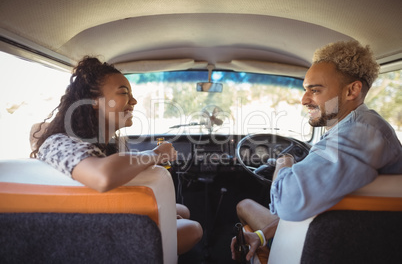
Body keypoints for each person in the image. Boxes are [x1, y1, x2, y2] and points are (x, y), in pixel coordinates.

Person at [230, 40, 402, 261]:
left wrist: (284, 163)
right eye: (305, 90)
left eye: (315, 90)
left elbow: (289, 202)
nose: (304, 99)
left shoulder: (360, 133)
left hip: (335, 247)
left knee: (243, 204)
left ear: (352, 90)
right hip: (327, 233)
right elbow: (320, 199)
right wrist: (262, 236)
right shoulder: (346, 129)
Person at [30, 56, 203, 255]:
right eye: (124, 93)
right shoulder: (58, 142)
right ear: (94, 100)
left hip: (101, 216)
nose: (134, 101)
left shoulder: (103, 146)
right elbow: (103, 176)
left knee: (181, 211)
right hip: (84, 236)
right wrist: (155, 154)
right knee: (192, 229)